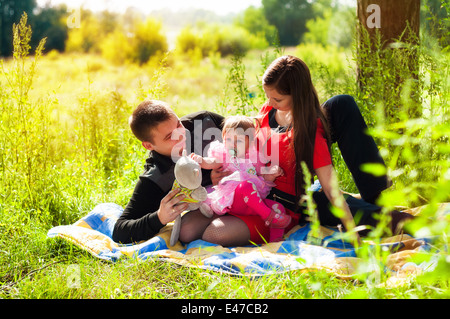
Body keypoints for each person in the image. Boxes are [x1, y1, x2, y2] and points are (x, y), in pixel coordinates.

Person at [112, 100, 225, 244]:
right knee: (186, 232)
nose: (181, 135)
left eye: (178, 124)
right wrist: (160, 217)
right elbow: (120, 231)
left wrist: (227, 167)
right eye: (169, 137)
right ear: (148, 145)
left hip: (252, 188)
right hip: (212, 209)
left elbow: (251, 139)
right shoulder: (156, 177)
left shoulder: (204, 123)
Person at [190, 115, 291, 242]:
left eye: (239, 141)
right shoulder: (224, 155)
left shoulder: (254, 158)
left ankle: (275, 242)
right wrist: (202, 161)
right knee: (246, 186)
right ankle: (269, 217)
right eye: (228, 139)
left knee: (279, 208)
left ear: (250, 142)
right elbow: (212, 162)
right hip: (233, 200)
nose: (233, 145)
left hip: (252, 202)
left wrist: (271, 172)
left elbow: (260, 174)